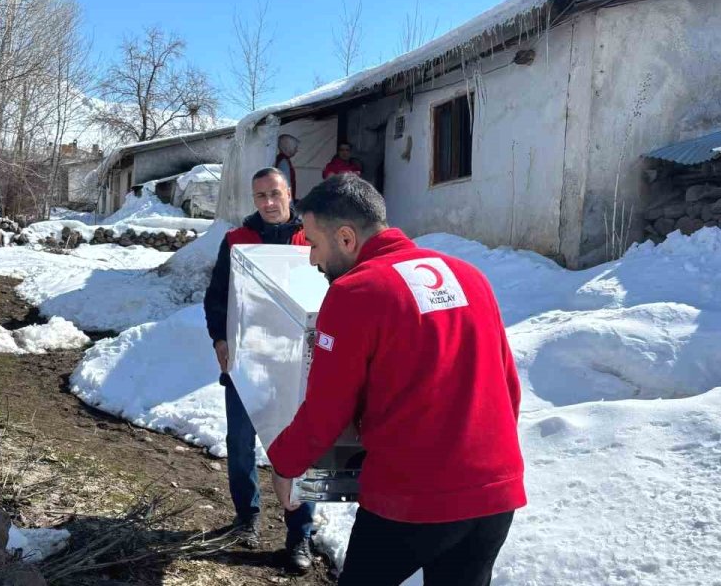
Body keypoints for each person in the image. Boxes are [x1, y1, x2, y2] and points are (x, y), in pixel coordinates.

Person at [267, 174, 525, 586]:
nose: (312, 259)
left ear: (346, 238)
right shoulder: (469, 276)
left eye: (314, 244)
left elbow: (328, 409)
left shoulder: (355, 293)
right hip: (494, 494)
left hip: (414, 499)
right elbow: (509, 387)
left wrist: (284, 464)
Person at [202, 167, 317, 573]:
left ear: (290, 194)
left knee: (301, 449)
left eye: (274, 194)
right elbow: (217, 298)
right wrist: (219, 339)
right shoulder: (237, 241)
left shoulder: (311, 240)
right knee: (240, 444)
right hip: (247, 363)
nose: (268, 203)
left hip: (297, 365)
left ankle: (300, 533)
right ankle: (246, 517)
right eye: (260, 196)